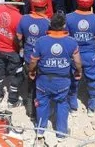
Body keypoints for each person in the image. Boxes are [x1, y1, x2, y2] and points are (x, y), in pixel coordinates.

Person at [29, 13, 82, 141]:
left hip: (43, 80)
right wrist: (79, 71)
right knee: (62, 104)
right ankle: (61, 133)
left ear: (50, 25)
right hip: (62, 81)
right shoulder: (71, 42)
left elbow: (33, 61)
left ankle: (40, 130)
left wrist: (31, 72)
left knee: (41, 103)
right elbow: (78, 62)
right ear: (64, 25)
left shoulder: (41, 41)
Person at [66, 0, 95, 115]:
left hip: (74, 56)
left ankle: (73, 107)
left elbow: (65, 38)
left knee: (74, 80)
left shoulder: (69, 18)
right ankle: (91, 107)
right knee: (92, 81)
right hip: (90, 56)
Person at [17, 0, 51, 118]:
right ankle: (41, 114)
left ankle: (30, 112)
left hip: (28, 59)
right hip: (42, 63)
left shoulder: (24, 19)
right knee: (42, 90)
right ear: (46, 5)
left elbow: (19, 38)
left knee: (30, 88)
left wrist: (23, 48)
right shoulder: (48, 23)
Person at [0, 0, 27, 107]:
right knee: (16, 75)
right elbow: (20, 38)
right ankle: (13, 101)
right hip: (12, 51)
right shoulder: (20, 18)